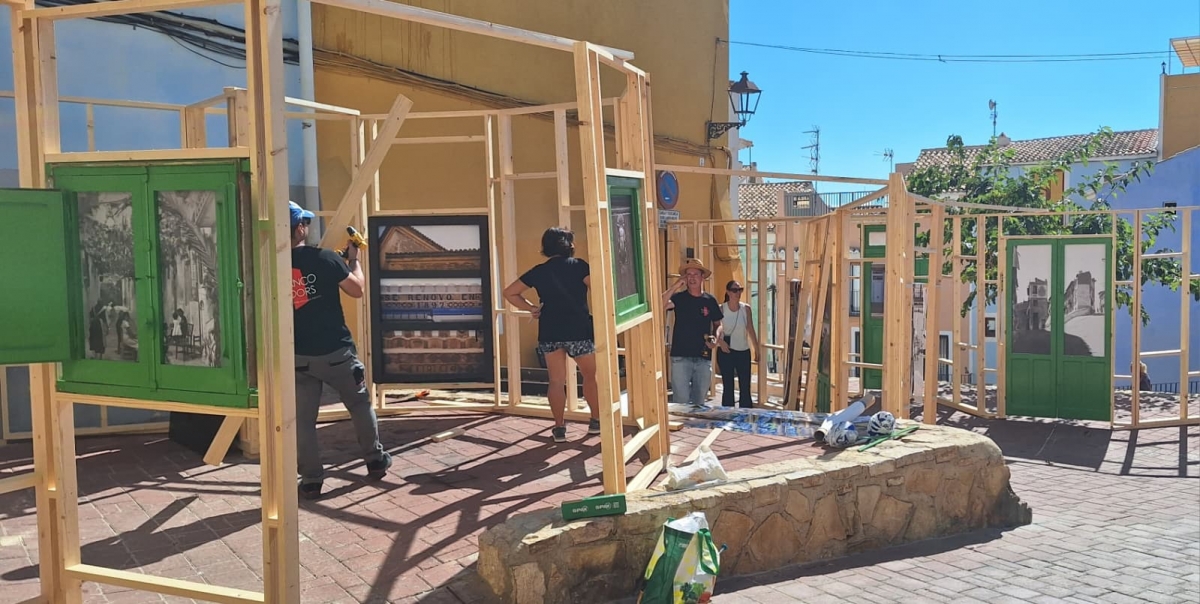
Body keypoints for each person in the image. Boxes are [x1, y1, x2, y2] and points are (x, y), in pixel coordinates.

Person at [290, 201, 389, 500]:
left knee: (303, 421)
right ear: (299, 228)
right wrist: (353, 261)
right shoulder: (325, 258)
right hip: (336, 352)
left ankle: (311, 480)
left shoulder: (270, 265)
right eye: (305, 222)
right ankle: (375, 460)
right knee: (359, 405)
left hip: (298, 355)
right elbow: (357, 290)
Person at [503, 227, 600, 443]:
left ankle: (559, 427)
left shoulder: (539, 271)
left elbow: (509, 292)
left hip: (550, 330)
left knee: (556, 380)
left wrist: (530, 308)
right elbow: (599, 289)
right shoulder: (580, 266)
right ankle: (595, 420)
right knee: (590, 376)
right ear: (570, 245)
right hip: (579, 330)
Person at [663, 258, 723, 409]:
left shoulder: (710, 300)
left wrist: (716, 339)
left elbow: (718, 324)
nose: (692, 278)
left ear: (702, 277)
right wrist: (675, 286)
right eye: (688, 274)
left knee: (699, 403)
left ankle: (696, 425)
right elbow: (659, 305)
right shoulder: (678, 298)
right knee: (680, 403)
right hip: (680, 357)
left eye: (695, 274)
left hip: (703, 358)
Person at [717, 280, 760, 408]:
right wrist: (720, 342)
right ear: (728, 292)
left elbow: (750, 328)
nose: (738, 293)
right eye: (734, 290)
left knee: (745, 386)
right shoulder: (721, 308)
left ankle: (746, 414)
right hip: (726, 351)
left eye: (740, 290)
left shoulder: (745, 308)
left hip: (743, 351)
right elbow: (714, 330)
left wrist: (756, 349)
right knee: (728, 386)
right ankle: (727, 414)